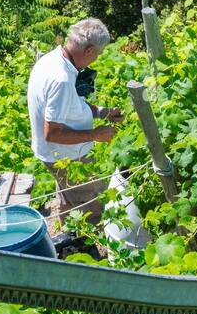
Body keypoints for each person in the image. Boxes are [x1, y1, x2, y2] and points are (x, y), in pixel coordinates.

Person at [26, 18, 131, 239]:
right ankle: (90, 249)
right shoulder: (62, 79)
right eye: (98, 54)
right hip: (67, 155)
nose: (97, 58)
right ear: (89, 50)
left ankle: (68, 236)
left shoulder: (52, 59)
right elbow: (52, 132)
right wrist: (95, 134)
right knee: (92, 202)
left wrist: (101, 111)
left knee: (67, 195)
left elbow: (72, 104)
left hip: (54, 155)